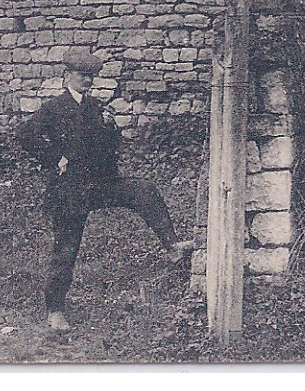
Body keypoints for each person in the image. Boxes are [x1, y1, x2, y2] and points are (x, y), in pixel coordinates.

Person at [16, 46, 193, 330]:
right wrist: (54, 158)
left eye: (91, 75)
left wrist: (111, 129)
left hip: (99, 185)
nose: (87, 80)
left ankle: (172, 245)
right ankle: (55, 311)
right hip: (69, 190)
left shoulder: (96, 107)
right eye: (81, 75)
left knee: (142, 189)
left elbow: (110, 147)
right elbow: (25, 135)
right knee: (66, 249)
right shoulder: (53, 108)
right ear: (67, 76)